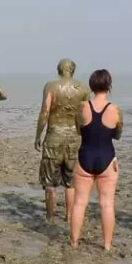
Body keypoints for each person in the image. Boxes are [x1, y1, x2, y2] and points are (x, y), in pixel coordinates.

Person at [69, 69, 123, 251]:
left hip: (85, 156)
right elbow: (117, 135)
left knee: (79, 203)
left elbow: (78, 129)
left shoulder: (81, 107)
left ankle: (74, 242)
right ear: (109, 86)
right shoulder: (115, 110)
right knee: (107, 204)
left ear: (91, 86)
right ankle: (107, 245)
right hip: (107, 158)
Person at [35, 59, 90, 223]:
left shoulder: (51, 86)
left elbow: (45, 112)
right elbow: (84, 116)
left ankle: (50, 216)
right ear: (73, 70)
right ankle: (69, 215)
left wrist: (38, 135)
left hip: (54, 135)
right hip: (75, 137)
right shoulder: (84, 88)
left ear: (59, 69)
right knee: (70, 181)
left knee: (50, 180)